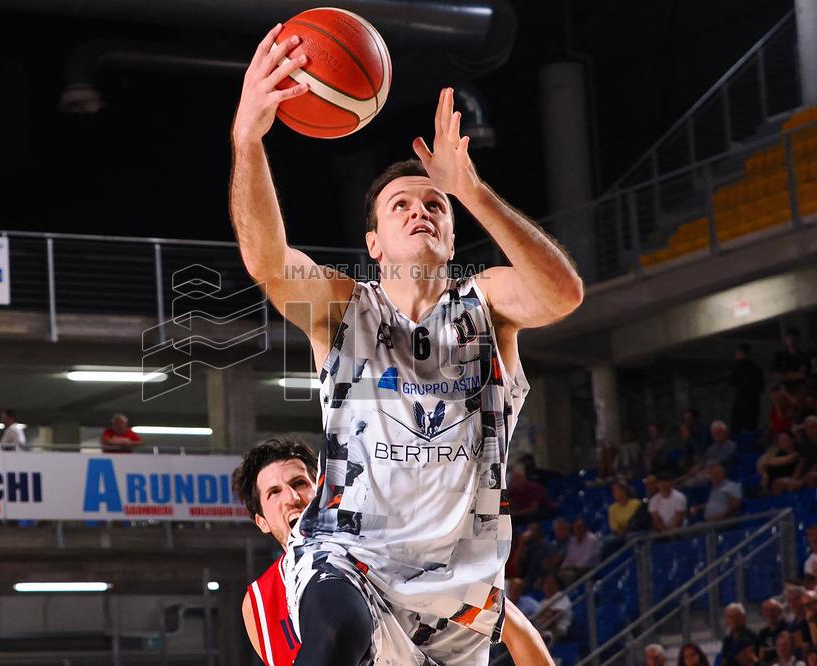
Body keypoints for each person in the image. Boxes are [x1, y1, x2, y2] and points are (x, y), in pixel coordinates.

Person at [230, 22, 583, 664]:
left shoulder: (489, 306)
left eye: (435, 205)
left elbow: (562, 295)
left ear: (451, 233)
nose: (421, 210)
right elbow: (268, 263)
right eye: (400, 205)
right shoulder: (344, 308)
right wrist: (248, 141)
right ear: (373, 243)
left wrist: (471, 191)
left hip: (457, 589)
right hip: (350, 554)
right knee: (335, 633)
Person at [232, 436, 554, 666]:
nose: (291, 497)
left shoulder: (392, 550)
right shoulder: (261, 600)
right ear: (261, 521)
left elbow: (515, 628)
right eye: (274, 492)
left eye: (300, 483)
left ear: (320, 492)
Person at [731, 343, 765, 434]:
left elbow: (732, 382)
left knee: (736, 427)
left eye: (736, 353)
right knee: (751, 426)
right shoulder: (756, 367)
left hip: (741, 401)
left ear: (741, 353)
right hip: (753, 402)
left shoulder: (738, 366)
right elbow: (761, 387)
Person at [757, 598, 789, 663]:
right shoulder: (763, 633)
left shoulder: (788, 629)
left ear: (780, 611)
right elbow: (760, 656)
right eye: (766, 610)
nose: (769, 613)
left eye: (773, 610)